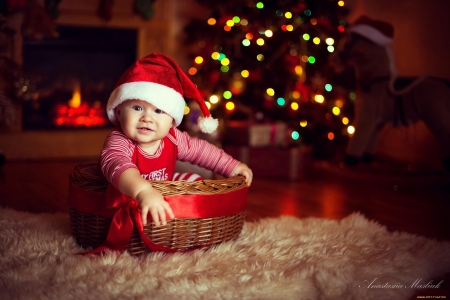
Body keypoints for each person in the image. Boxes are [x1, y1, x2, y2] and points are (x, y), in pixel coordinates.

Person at [100, 53, 253, 228]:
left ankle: (185, 223)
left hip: (159, 190)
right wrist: (143, 191)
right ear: (118, 112)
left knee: (194, 181)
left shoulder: (172, 137)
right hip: (125, 193)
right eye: (137, 108)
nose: (147, 118)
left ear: (172, 121)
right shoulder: (119, 140)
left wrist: (232, 166)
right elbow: (117, 165)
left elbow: (202, 151)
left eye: (158, 111)